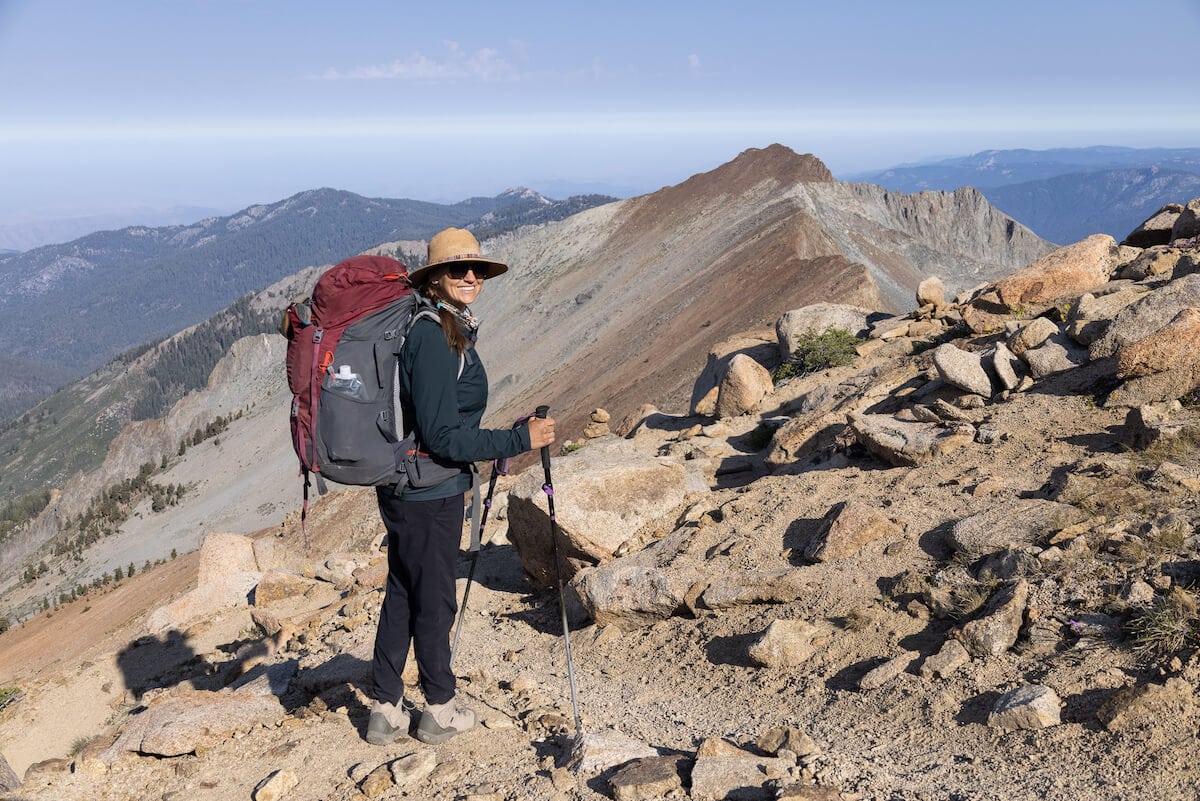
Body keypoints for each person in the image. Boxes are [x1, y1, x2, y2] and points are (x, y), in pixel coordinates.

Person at [367, 227, 555, 746]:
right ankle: (439, 707)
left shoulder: (444, 327)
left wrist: (495, 438)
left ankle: (384, 709)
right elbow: (443, 435)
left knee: (404, 589)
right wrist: (517, 438)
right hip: (429, 491)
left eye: (476, 269)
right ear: (435, 277)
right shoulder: (431, 334)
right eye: (457, 269)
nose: (470, 276)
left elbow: (447, 423)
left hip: (412, 484)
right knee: (433, 598)